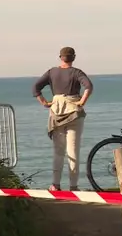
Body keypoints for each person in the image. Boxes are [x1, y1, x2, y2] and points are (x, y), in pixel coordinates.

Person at [32, 47, 93, 191]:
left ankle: (55, 184)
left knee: (58, 151)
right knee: (73, 151)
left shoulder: (52, 72)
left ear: (60, 57)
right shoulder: (77, 72)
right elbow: (89, 86)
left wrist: (44, 102)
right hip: (74, 112)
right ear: (74, 57)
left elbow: (35, 87)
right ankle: (73, 186)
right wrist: (82, 101)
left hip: (57, 111)